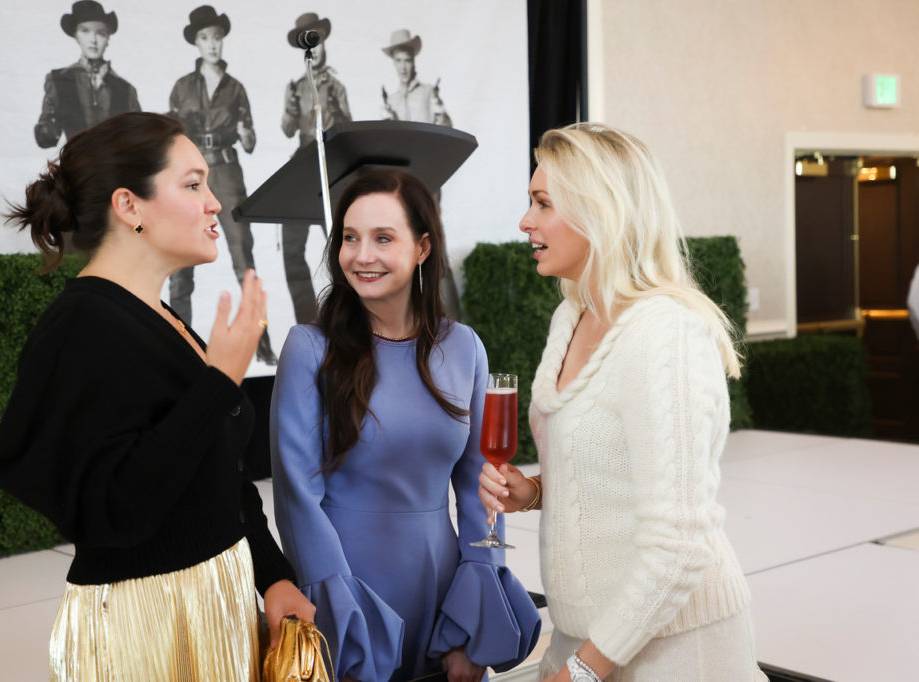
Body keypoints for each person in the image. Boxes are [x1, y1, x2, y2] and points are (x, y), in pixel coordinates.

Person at [0, 112, 314, 681]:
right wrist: (218, 383)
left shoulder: (160, 318)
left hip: (215, 603)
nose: (214, 203)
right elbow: (116, 508)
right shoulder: (82, 327)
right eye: (192, 185)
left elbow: (218, 479)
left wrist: (272, 575)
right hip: (150, 626)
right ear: (129, 206)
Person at [479, 124, 767, 682]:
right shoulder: (572, 316)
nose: (525, 221)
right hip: (586, 639)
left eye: (542, 203)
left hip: (676, 651)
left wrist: (585, 671)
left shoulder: (667, 333)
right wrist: (534, 492)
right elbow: (607, 471)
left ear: (600, 211)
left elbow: (678, 545)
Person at [270, 169, 541, 682]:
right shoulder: (308, 349)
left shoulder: (465, 346)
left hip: (442, 589)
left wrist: (474, 613)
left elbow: (484, 484)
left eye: (382, 238)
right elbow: (296, 499)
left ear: (422, 248)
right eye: (350, 238)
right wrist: (339, 616)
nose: (361, 255)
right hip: (348, 585)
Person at [167, 5, 277, 365]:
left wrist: (246, 134)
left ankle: (261, 343)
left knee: (244, 257)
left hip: (228, 174)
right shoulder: (182, 87)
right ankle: (178, 345)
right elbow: (170, 140)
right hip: (190, 178)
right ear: (196, 43)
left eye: (216, 37)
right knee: (181, 262)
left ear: (222, 41)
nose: (212, 44)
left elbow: (251, 141)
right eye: (205, 38)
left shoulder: (236, 89)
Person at [380, 28, 462, 319]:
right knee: (405, 252)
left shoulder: (428, 93)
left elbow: (448, 130)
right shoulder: (391, 97)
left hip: (427, 183)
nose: (403, 66)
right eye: (398, 61)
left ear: (414, 61)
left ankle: (451, 324)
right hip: (398, 190)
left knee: (433, 250)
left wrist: (440, 111)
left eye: (407, 60)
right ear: (394, 63)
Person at [279, 12, 352, 325]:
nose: (316, 45)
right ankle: (309, 321)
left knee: (342, 245)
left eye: (318, 38)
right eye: (309, 39)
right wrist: (291, 107)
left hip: (330, 163)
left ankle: (350, 315)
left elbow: (348, 127)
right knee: (292, 249)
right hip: (303, 162)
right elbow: (286, 128)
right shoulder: (296, 86)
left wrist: (333, 112)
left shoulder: (335, 85)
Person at [34, 1, 141, 149]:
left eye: (101, 33)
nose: (93, 40)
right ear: (76, 36)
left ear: (108, 39)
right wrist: (47, 129)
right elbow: (46, 139)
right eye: (85, 31)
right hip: (76, 168)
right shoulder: (59, 81)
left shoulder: (125, 89)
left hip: (115, 170)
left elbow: (139, 142)